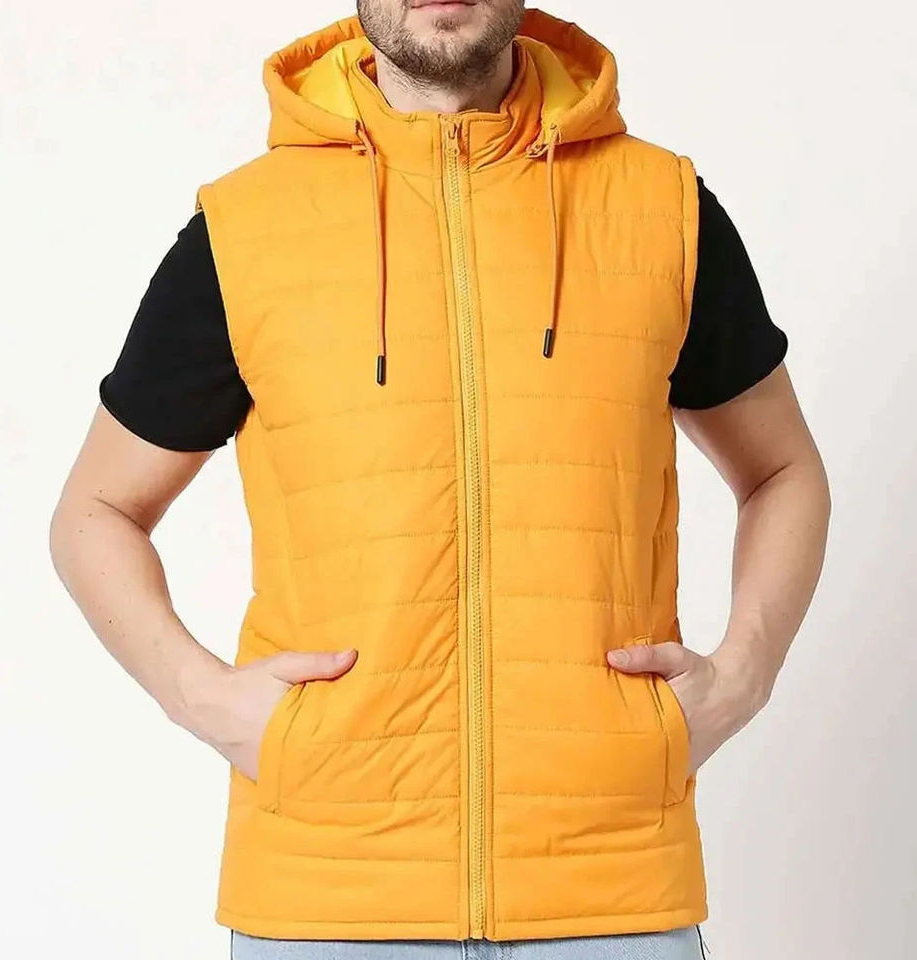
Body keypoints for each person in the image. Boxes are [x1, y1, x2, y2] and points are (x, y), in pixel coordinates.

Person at [49, 4, 831, 959]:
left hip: (612, 888)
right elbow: (96, 510)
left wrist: (744, 676)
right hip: (327, 897)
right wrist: (198, 696)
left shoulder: (662, 210)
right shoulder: (244, 230)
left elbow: (783, 468)